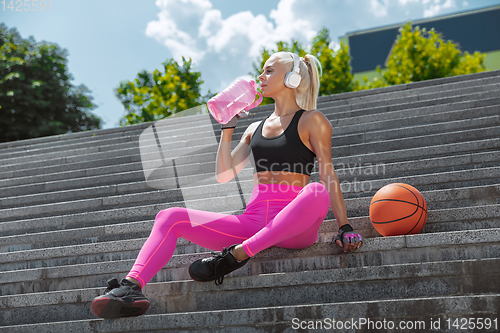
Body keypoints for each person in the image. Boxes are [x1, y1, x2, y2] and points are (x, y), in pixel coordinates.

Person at [90, 52, 363, 319]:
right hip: (252, 222)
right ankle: (131, 287)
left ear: (292, 79)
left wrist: (345, 226)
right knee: (169, 217)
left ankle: (235, 257)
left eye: (269, 70)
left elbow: (328, 174)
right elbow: (224, 174)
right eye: (262, 70)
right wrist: (228, 127)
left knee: (317, 189)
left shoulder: (311, 120)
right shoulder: (253, 128)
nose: (261, 76)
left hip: (296, 227)